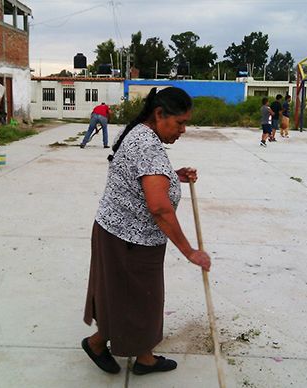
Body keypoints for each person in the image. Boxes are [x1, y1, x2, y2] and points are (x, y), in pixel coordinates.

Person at [82, 87, 211, 376]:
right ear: (159, 114)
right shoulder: (148, 146)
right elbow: (160, 209)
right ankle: (97, 343)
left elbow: (140, 176)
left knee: (138, 299)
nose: (183, 130)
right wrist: (190, 251)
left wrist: (172, 177)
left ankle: (144, 357)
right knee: (133, 299)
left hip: (122, 233)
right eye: (180, 123)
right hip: (129, 239)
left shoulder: (139, 132)